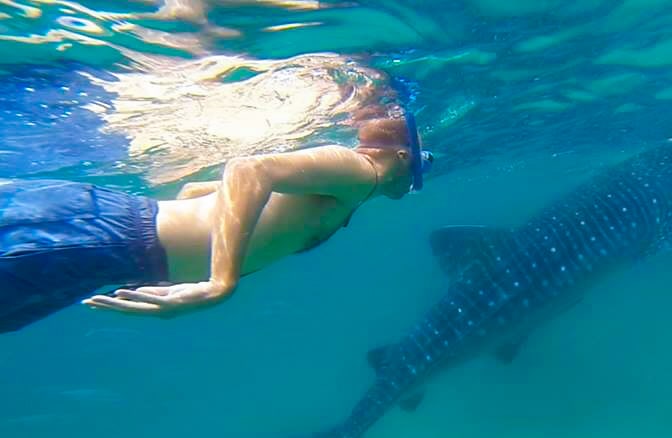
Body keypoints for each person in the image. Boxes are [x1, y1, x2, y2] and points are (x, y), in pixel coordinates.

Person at [0, 111, 434, 333]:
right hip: (107, 237)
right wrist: (220, 282)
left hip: (116, 241)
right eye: (425, 163)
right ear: (403, 157)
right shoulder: (360, 171)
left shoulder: (348, 192)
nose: (420, 178)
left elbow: (196, 196)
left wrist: (184, 264)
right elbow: (248, 170)